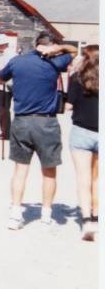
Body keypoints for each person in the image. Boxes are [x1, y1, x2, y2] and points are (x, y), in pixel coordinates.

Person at [0, 32, 77, 230]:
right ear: (52, 45)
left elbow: (0, 80)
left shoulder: (18, 61)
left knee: (20, 170)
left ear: (35, 44)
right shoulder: (56, 63)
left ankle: (16, 214)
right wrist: (58, 50)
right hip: (46, 123)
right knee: (49, 171)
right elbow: (74, 50)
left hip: (22, 121)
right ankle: (46, 214)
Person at [66, 44, 99, 240]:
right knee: (98, 180)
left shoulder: (77, 78)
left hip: (81, 132)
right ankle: (97, 217)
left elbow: (69, 106)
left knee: (83, 178)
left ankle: (87, 221)